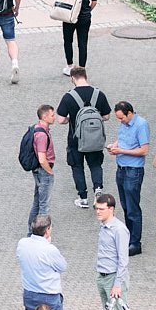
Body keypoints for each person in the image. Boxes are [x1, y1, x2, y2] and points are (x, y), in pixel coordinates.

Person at [55, 67, 111, 209]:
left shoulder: (69, 96)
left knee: (77, 166)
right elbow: (106, 116)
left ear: (72, 78)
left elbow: (60, 120)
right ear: (86, 76)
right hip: (95, 139)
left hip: (76, 139)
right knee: (95, 165)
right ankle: (98, 189)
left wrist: (70, 119)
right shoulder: (99, 94)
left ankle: (83, 198)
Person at [92, 194, 132, 310]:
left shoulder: (119, 230)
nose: (98, 212)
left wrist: (117, 284)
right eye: (96, 209)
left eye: (101, 209)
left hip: (113, 279)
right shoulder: (104, 226)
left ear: (111, 209)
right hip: (103, 277)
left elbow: (123, 260)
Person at [105, 101, 148, 254]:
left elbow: (144, 150)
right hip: (122, 169)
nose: (120, 121)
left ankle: (136, 243)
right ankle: (130, 238)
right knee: (125, 205)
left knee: (133, 208)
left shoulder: (141, 125)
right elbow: (122, 138)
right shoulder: (125, 123)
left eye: (121, 118)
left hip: (133, 171)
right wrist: (114, 145)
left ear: (129, 113)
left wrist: (121, 151)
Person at [17, 215, 67, 310]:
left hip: (30, 293)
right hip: (49, 295)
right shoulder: (50, 249)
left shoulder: (22, 243)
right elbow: (62, 266)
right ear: (47, 230)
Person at [59, 0, 98, 75]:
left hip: (71, 16)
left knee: (68, 40)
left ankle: (70, 66)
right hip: (85, 17)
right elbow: (94, 2)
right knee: (82, 42)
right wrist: (86, 10)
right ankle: (81, 68)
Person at [23, 104, 57, 231]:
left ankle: (31, 230)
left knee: (37, 202)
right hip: (43, 172)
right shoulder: (42, 135)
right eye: (52, 115)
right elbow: (42, 159)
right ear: (44, 116)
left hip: (38, 171)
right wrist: (50, 172)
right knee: (44, 205)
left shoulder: (36, 129)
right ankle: (41, 232)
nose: (54, 117)